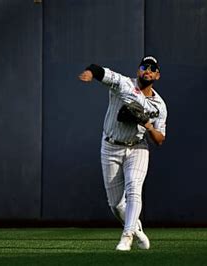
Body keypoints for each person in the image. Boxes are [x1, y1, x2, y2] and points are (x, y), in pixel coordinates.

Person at [78, 56, 168, 251]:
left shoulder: (159, 105)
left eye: (153, 68)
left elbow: (160, 139)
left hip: (138, 147)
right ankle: (135, 228)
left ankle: (126, 237)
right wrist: (90, 73)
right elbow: (99, 69)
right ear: (138, 70)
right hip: (111, 146)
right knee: (116, 204)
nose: (148, 70)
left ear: (157, 75)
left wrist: (147, 125)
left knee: (134, 188)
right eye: (144, 66)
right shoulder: (124, 84)